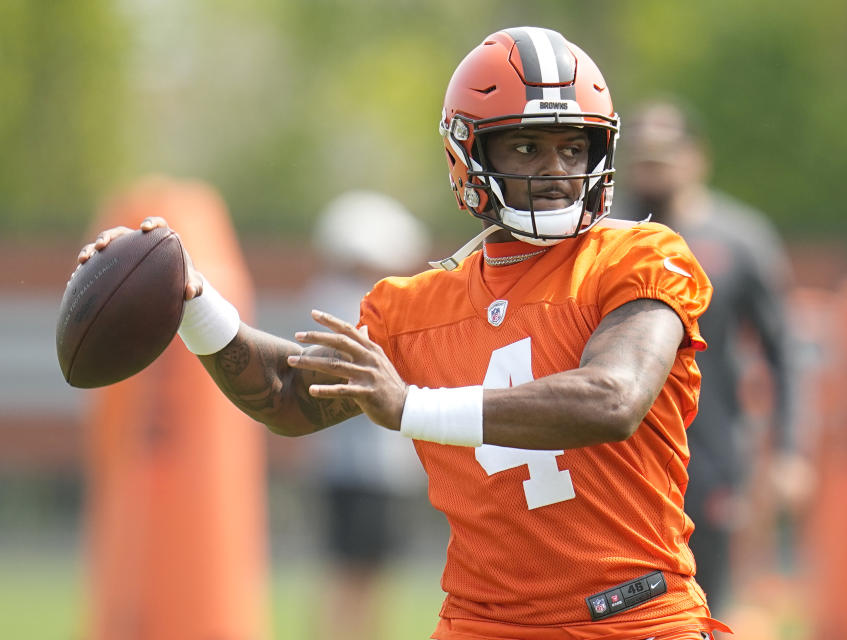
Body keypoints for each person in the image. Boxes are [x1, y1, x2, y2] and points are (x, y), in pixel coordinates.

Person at [77, 27, 730, 640]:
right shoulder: (415, 306)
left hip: (632, 618)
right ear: (468, 152)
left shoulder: (642, 255)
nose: (556, 168)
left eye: (573, 145)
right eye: (526, 146)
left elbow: (613, 398)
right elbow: (287, 396)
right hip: (483, 625)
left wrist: (409, 407)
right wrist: (190, 296)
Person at [617, 98, 800, 617]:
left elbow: (782, 348)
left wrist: (788, 449)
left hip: (711, 456)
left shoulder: (739, 240)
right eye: (643, 154)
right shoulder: (606, 237)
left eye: (665, 152)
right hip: (619, 455)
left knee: (703, 600)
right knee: (617, 606)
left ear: (696, 156)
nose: (654, 165)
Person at [302, 190, 431, 640]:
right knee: (357, 577)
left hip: (353, 467)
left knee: (362, 576)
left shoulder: (330, 295)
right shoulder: (353, 304)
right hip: (368, 468)